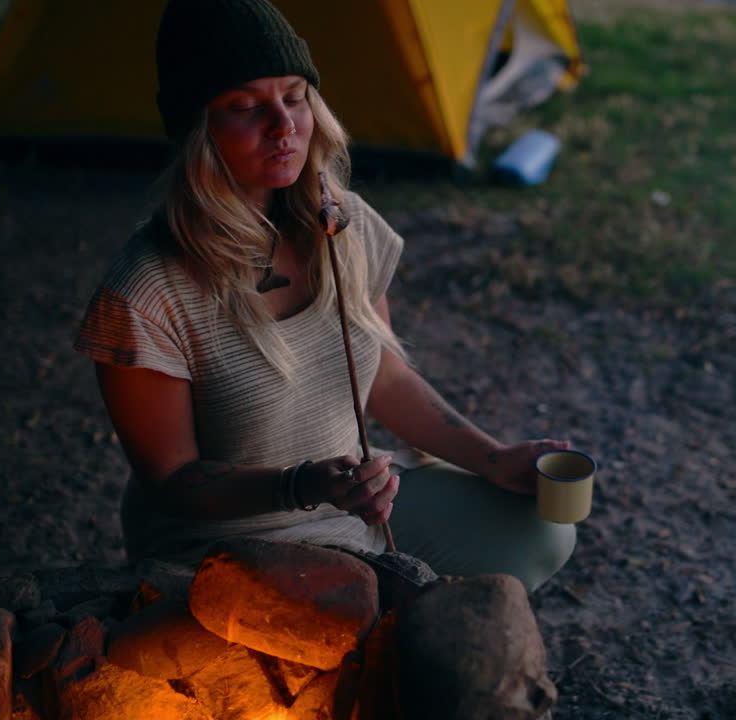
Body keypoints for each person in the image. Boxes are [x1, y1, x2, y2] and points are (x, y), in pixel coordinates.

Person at [74, 0, 575, 592]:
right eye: (245, 107)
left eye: (294, 96)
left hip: (353, 507)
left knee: (542, 527)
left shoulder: (344, 226)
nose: (284, 126)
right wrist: (301, 484)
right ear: (196, 130)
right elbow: (173, 477)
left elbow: (381, 372)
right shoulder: (147, 292)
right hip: (225, 548)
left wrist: (492, 457)